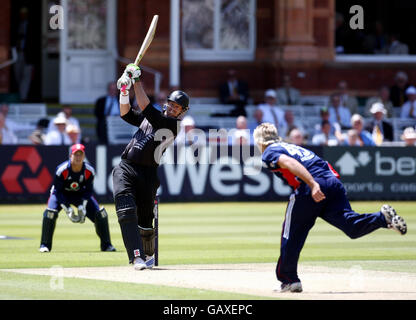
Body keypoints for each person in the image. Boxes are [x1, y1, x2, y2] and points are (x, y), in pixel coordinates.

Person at [253, 122, 407, 293]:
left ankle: (289, 280)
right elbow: (318, 162)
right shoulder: (289, 145)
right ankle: (381, 218)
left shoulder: (269, 152)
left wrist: (312, 184)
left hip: (311, 186)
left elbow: (289, 163)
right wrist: (325, 183)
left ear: (259, 141)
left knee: (292, 233)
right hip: (332, 180)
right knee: (350, 226)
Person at [113, 63, 190, 270]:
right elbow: (126, 114)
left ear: (182, 112)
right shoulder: (151, 118)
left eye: (177, 107)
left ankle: (147, 255)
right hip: (127, 167)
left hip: (148, 174)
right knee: (126, 210)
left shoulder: (172, 126)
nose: (172, 108)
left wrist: (136, 80)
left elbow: (146, 107)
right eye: (171, 104)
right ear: (167, 104)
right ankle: (136, 257)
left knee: (146, 223)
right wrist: (123, 91)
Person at [39, 143, 116, 253]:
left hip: (79, 196)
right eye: (76, 155)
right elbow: (57, 191)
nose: (78, 157)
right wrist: (68, 209)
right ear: (71, 156)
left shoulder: (89, 171)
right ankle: (44, 245)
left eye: (81, 155)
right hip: (61, 195)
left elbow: (88, 191)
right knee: (50, 213)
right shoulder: (62, 170)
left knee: (101, 214)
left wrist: (82, 206)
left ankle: (107, 245)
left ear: (84, 156)